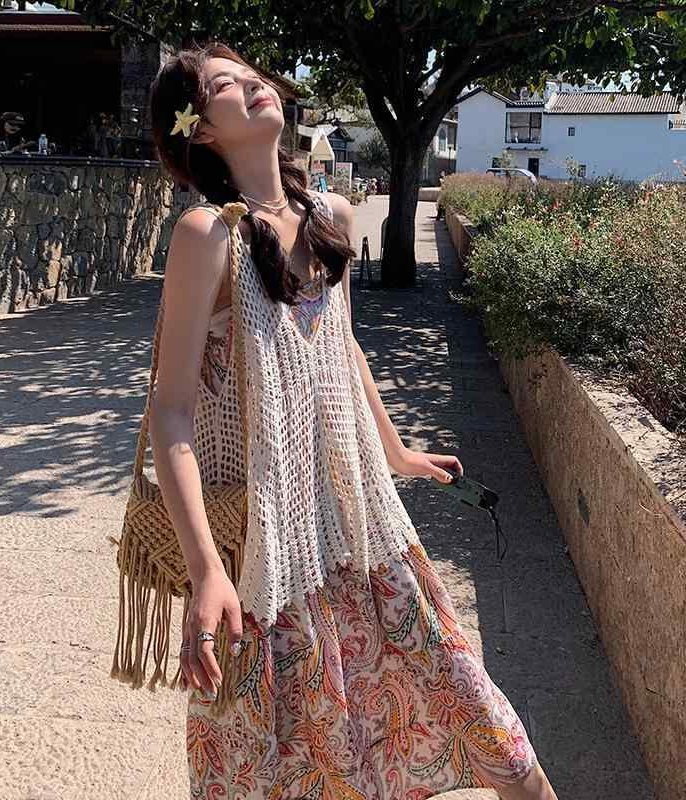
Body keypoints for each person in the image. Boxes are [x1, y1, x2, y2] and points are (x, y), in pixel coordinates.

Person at [146, 41, 558, 800]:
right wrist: (206, 569)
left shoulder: (328, 214)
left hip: (363, 527)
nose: (254, 86)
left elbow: (343, 347)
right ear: (200, 129)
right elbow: (170, 410)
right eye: (225, 85)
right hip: (272, 558)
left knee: (495, 735)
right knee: (300, 767)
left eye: (251, 75)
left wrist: (396, 452)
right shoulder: (207, 235)